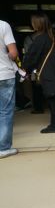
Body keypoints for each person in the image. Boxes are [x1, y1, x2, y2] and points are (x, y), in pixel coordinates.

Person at [23, 13, 55, 133]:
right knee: (54, 98)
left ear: (37, 24)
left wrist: (25, 69)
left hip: (48, 73)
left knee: (52, 99)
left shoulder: (40, 39)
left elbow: (31, 57)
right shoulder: (52, 37)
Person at [0, 19, 19, 158]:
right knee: (5, 112)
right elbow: (13, 53)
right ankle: (3, 148)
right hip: (4, 74)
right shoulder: (3, 25)